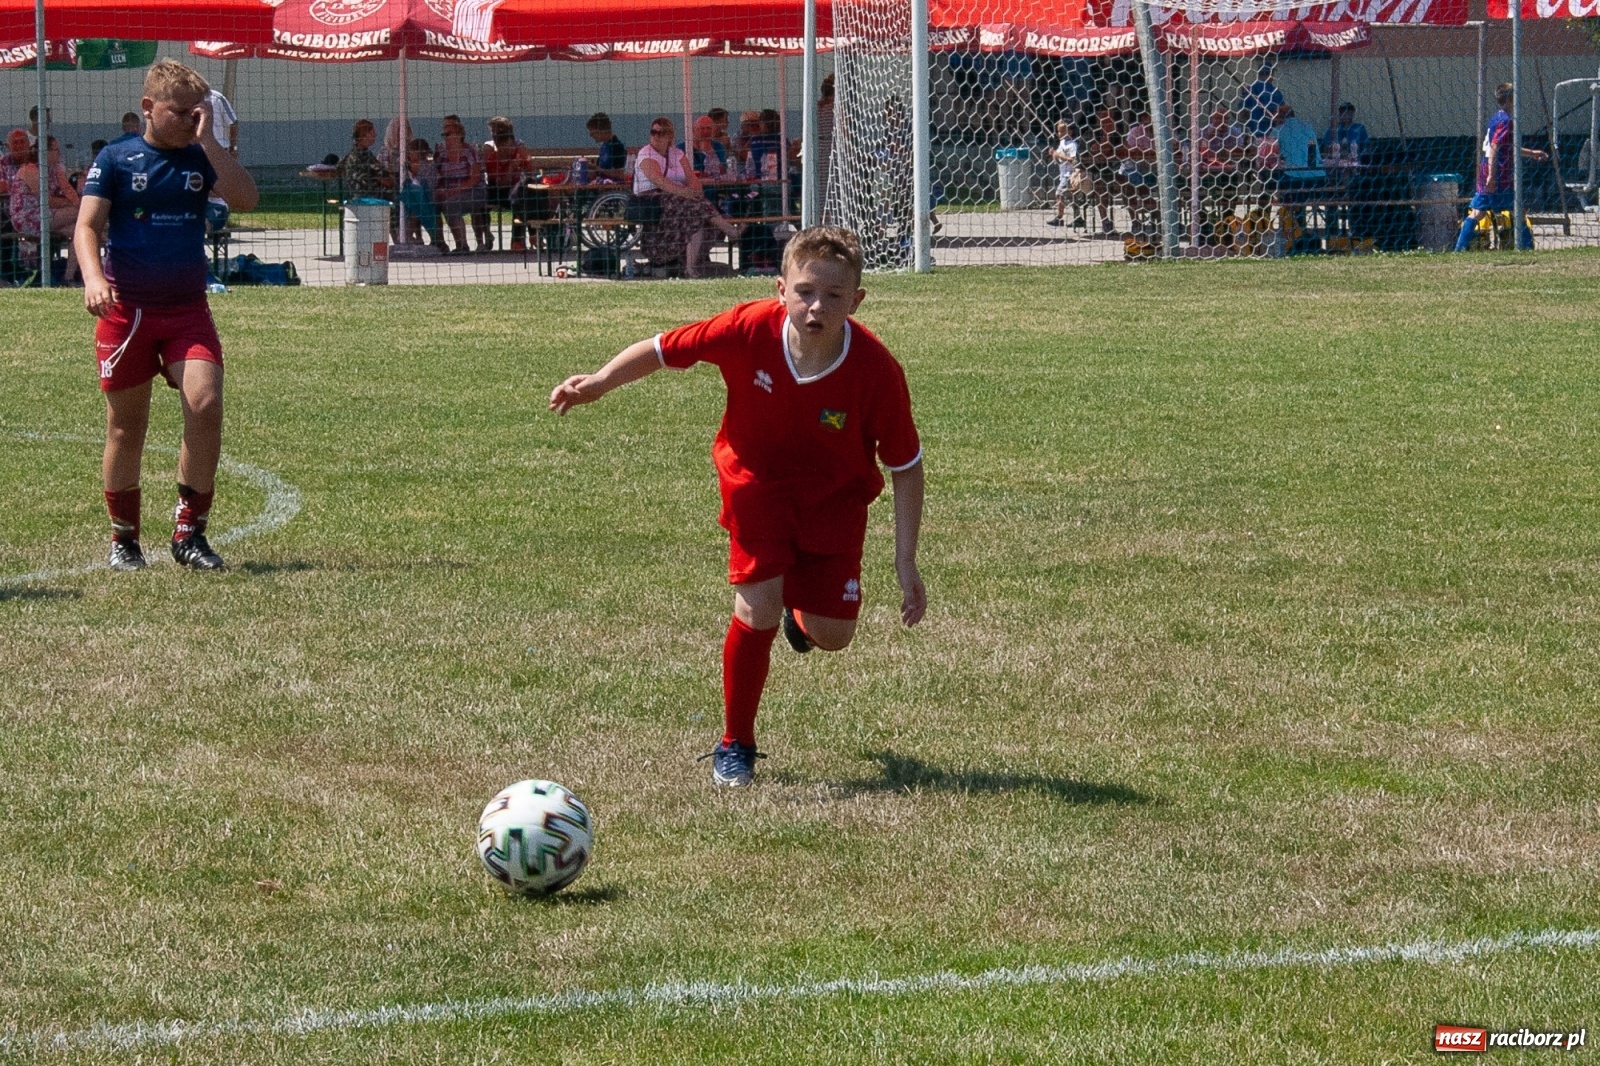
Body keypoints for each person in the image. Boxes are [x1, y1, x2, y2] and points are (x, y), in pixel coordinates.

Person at [548, 226, 925, 788]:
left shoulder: (875, 371)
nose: (816, 305)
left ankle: (803, 615)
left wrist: (905, 560)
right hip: (757, 489)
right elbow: (661, 348)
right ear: (780, 288)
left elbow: (906, 466)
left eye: (834, 296)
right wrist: (599, 382)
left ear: (858, 300)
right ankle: (736, 743)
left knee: (834, 634)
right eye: (804, 291)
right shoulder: (747, 327)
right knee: (757, 610)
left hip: (833, 506)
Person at [74, 59, 260, 572]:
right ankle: (125, 539)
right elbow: (87, 226)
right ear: (149, 108)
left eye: (197, 114)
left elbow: (246, 198)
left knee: (205, 405)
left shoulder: (202, 157)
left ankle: (189, 534)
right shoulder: (116, 159)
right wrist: (93, 278)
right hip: (127, 312)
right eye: (179, 113)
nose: (188, 122)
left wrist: (211, 143)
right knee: (124, 429)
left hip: (186, 312)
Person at [634, 117, 741, 277]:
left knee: (696, 213)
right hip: (653, 201)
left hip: (680, 200)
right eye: (653, 132)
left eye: (661, 132)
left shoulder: (677, 154)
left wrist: (694, 191)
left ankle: (690, 266)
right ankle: (729, 230)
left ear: (669, 135)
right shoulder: (646, 154)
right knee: (696, 206)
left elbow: (693, 180)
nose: (656, 136)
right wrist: (685, 192)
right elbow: (659, 181)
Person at [1455, 82, 1547, 252]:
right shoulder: (1506, 121)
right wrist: (1491, 175)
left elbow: (1507, 147)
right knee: (1514, 209)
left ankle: (1459, 248)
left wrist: (1531, 153)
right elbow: (1495, 147)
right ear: (1511, 99)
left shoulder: (1496, 117)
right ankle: (1526, 246)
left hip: (1489, 168)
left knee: (1482, 211)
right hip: (1497, 171)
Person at [8, 137, 81, 282]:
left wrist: (74, 201)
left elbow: (68, 191)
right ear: (45, 151)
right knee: (81, 213)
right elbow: (47, 201)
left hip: (51, 215)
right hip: (29, 217)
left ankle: (68, 278)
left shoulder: (54, 170)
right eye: (55, 150)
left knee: (79, 231)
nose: (58, 153)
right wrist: (71, 204)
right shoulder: (30, 169)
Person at [434, 114, 488, 253]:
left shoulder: (469, 152)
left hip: (473, 190)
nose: (445, 138)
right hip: (448, 190)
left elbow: (475, 179)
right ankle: (439, 243)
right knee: (430, 202)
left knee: (451, 203)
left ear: (458, 135)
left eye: (448, 134)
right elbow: (436, 174)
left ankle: (462, 245)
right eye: (443, 134)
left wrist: (454, 190)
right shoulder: (442, 153)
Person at [483, 116, 535, 252]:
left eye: (496, 130)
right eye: (492, 130)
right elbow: (499, 182)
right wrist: (511, 167)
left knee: (525, 198)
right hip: (498, 190)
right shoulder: (491, 151)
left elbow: (530, 171)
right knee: (518, 200)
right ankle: (488, 235)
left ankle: (526, 238)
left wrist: (522, 169)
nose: (493, 133)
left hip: (517, 190)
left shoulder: (519, 146)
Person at [397, 136, 445, 248]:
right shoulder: (423, 164)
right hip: (419, 197)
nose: (408, 154)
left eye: (411, 152)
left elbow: (413, 168)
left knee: (417, 213)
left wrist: (406, 163)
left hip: (427, 197)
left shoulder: (424, 165)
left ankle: (411, 235)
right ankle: (416, 236)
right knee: (413, 210)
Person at [203, 87, 238, 234]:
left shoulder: (216, 97)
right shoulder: (187, 98)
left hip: (218, 149)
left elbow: (233, 122)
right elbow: (233, 122)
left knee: (218, 188)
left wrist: (232, 146)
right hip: (202, 149)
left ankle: (211, 222)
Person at [336, 118, 389, 198]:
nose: (375, 135)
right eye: (372, 132)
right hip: (371, 199)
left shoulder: (350, 155)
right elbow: (385, 178)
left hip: (355, 198)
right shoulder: (365, 156)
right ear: (365, 135)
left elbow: (339, 168)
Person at [1047, 119, 1084, 228]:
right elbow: (1058, 158)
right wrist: (1053, 154)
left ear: (1070, 132)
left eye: (1062, 131)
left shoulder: (1073, 145)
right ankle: (1078, 218)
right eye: (1058, 131)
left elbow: (1073, 160)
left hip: (1070, 174)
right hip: (1063, 173)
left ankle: (1059, 217)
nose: (1060, 134)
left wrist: (1058, 155)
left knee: (1059, 194)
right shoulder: (1062, 143)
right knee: (1071, 197)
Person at [1237, 62, 1286, 139]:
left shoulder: (1249, 90)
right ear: (1271, 75)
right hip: (1272, 135)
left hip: (1254, 134)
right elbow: (1283, 113)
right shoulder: (1276, 92)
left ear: (1258, 74)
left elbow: (1242, 114)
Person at [585, 113, 627, 181]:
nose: (591, 135)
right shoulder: (604, 146)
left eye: (593, 132)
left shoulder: (617, 147)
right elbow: (598, 170)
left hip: (612, 188)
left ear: (602, 131)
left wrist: (595, 168)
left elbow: (619, 174)